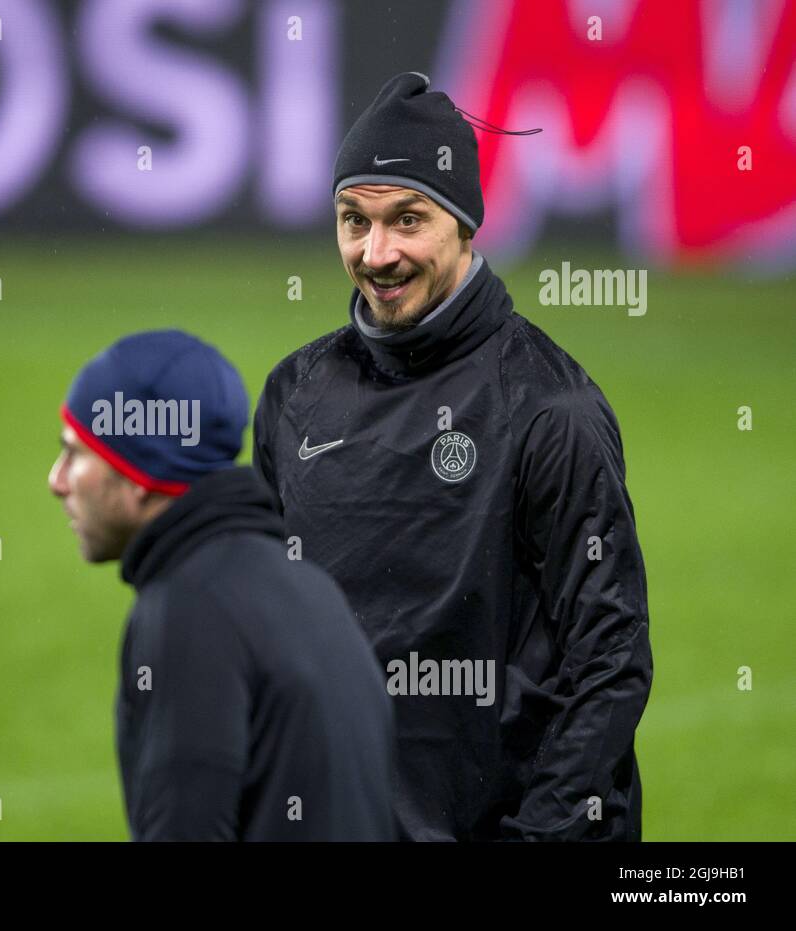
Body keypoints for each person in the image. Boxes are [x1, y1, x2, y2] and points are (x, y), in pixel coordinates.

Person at [252, 72, 653, 841]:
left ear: (466, 224)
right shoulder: (294, 396)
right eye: (352, 221)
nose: (377, 253)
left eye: (408, 220)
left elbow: (611, 658)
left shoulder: (550, 409)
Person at [49, 330, 394, 841]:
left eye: (76, 454)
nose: (57, 480)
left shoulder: (188, 611)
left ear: (140, 473)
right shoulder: (311, 588)